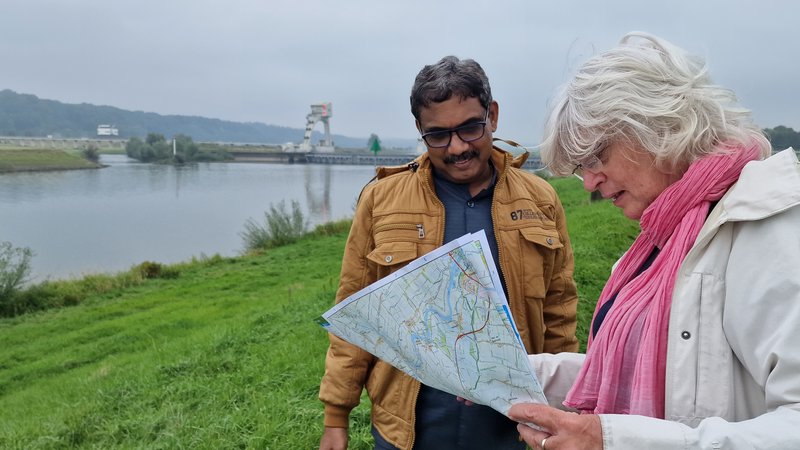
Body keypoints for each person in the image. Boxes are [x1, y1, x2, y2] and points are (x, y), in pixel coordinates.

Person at [507, 32, 800, 449]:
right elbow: (642, 369)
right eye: (580, 167)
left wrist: (612, 441)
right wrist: (518, 374)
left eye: (595, 157)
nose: (589, 182)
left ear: (655, 126)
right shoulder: (661, 241)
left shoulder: (767, 227)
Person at [318, 56, 580, 450]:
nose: (457, 147)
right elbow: (354, 314)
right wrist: (336, 417)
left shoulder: (541, 200)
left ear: (492, 115)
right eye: (438, 135)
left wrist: (566, 409)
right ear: (420, 131)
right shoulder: (381, 200)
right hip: (406, 430)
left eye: (470, 128)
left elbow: (559, 312)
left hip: (507, 428)